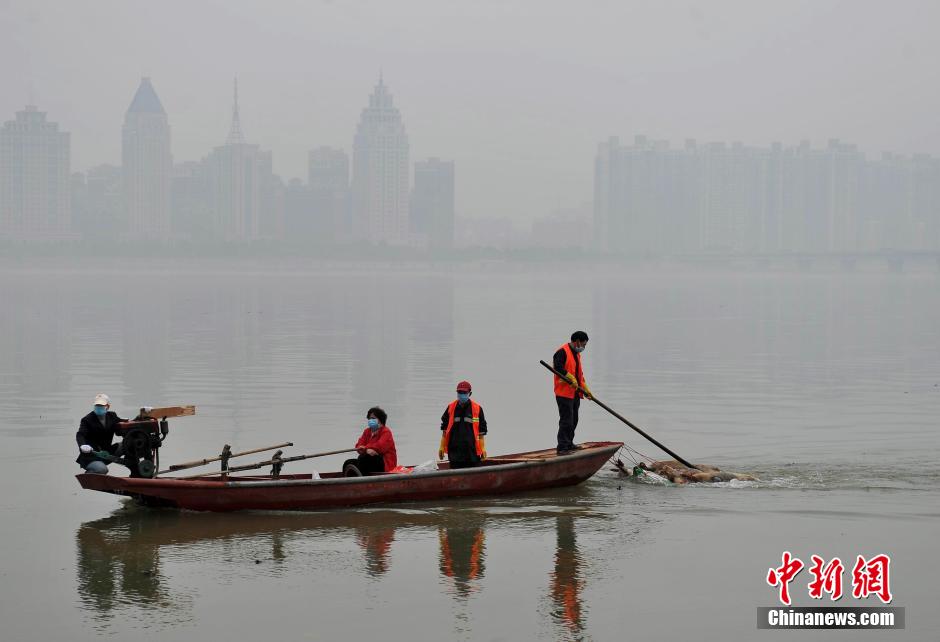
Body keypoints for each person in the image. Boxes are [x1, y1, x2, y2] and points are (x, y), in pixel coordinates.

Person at [553, 331, 593, 455]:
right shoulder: (562, 351)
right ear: (577, 341)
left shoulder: (576, 354)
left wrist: (585, 388)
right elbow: (558, 368)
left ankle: (569, 443)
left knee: (574, 419)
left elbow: (579, 374)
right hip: (564, 393)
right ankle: (562, 447)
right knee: (566, 421)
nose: (583, 347)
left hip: (575, 393)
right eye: (583, 344)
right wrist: (569, 377)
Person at [438, 380, 488, 469]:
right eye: (459, 392)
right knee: (455, 476)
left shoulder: (477, 409)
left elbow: (481, 431)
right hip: (454, 452)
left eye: (464, 392)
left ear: (470, 393)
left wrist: (483, 449)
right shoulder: (451, 407)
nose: (462, 394)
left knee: (473, 476)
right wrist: (441, 446)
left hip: (471, 452)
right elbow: (445, 429)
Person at [76, 394, 126, 474]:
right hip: (92, 456)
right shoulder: (87, 420)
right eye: (97, 405)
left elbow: (122, 427)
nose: (99, 407)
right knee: (102, 470)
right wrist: (82, 445)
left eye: (101, 405)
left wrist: (142, 416)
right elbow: (80, 434)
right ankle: (89, 475)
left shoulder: (112, 416)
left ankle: (137, 471)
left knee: (128, 444)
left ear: (108, 406)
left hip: (107, 452)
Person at [343, 406, 398, 476]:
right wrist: (366, 450)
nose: (370, 420)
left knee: (364, 458)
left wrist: (365, 449)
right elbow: (358, 446)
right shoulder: (367, 431)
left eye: (373, 418)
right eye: (369, 418)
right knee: (348, 463)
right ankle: (349, 483)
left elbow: (379, 447)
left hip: (385, 464)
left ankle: (364, 481)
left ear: (380, 420)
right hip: (368, 461)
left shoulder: (386, 432)